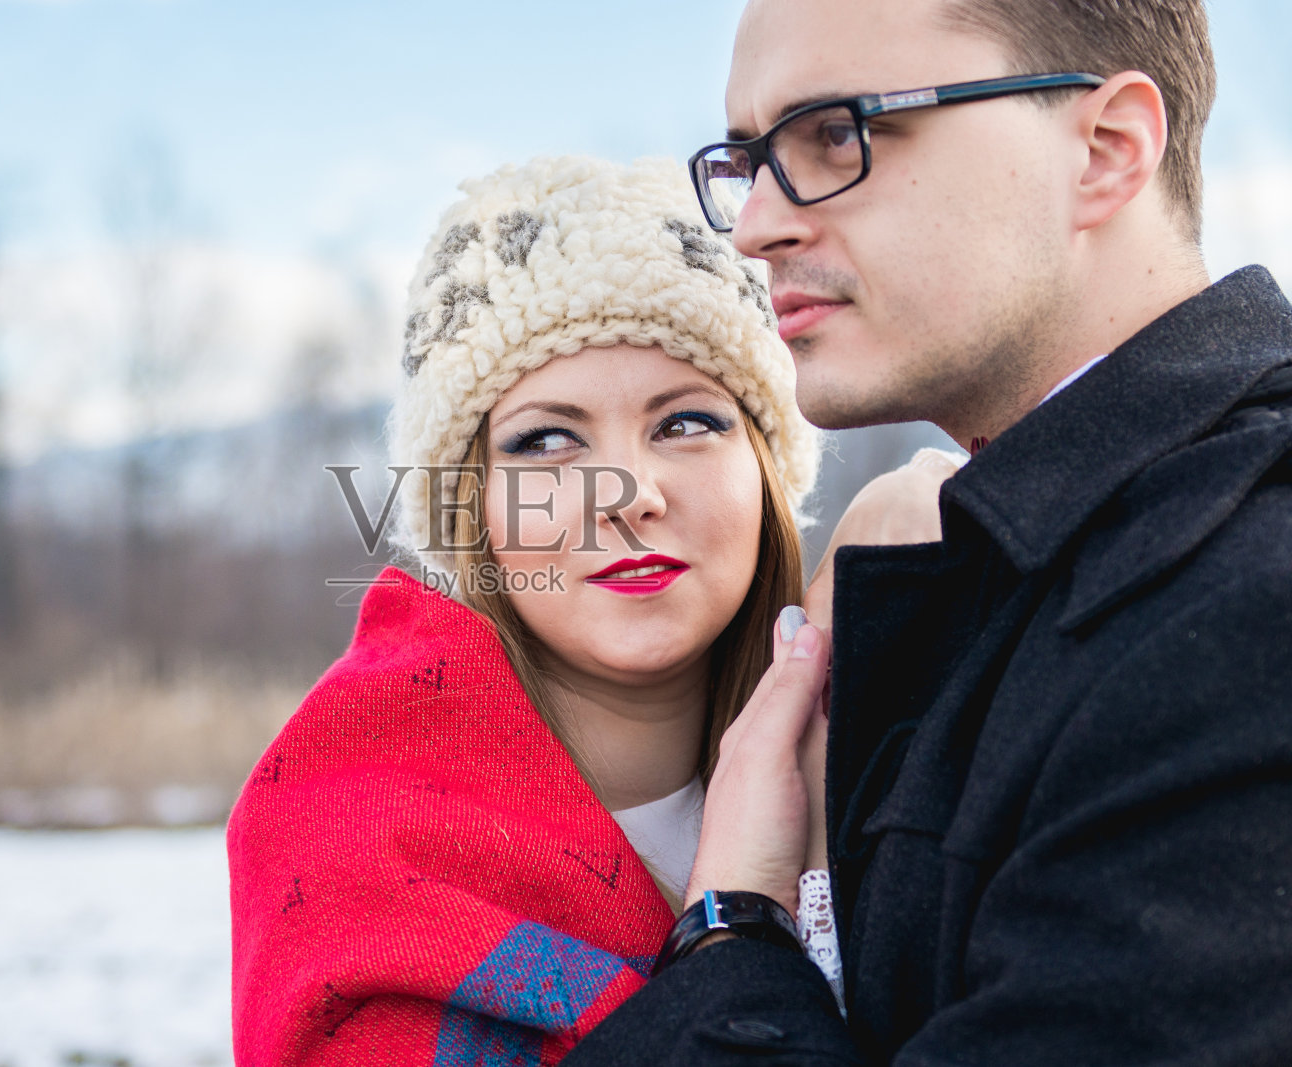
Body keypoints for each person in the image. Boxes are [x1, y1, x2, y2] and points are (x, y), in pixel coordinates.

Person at [566, 1, 1292, 1064]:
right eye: (748, 157)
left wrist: (735, 925)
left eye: (834, 133)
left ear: (1102, 152)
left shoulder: (1247, 614)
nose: (755, 223)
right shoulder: (1024, 560)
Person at [227, 155, 850, 1066]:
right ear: (470, 509)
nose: (629, 493)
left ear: (765, 472)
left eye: (687, 422)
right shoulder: (355, 852)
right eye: (548, 440)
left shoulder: (898, 754)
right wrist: (737, 915)